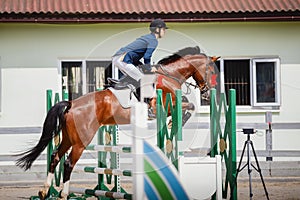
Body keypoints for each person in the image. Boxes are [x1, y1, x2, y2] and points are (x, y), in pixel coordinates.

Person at [111, 19, 168, 99]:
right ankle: (144, 102)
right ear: (157, 29)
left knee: (135, 76)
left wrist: (144, 66)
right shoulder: (153, 40)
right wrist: (150, 68)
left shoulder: (148, 38)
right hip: (123, 59)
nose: (165, 32)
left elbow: (136, 54)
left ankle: (122, 84)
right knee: (143, 79)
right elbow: (147, 56)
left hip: (120, 58)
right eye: (163, 29)